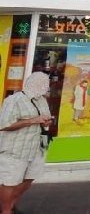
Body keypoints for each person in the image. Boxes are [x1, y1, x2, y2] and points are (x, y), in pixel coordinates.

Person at [0, 72, 53, 214]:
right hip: (15, 148)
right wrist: (33, 120)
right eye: (42, 83)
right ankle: (6, 210)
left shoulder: (41, 100)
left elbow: (44, 118)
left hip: (36, 148)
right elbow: (4, 125)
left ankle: (10, 204)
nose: (45, 87)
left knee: (30, 177)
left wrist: (46, 122)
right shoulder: (13, 100)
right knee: (9, 182)